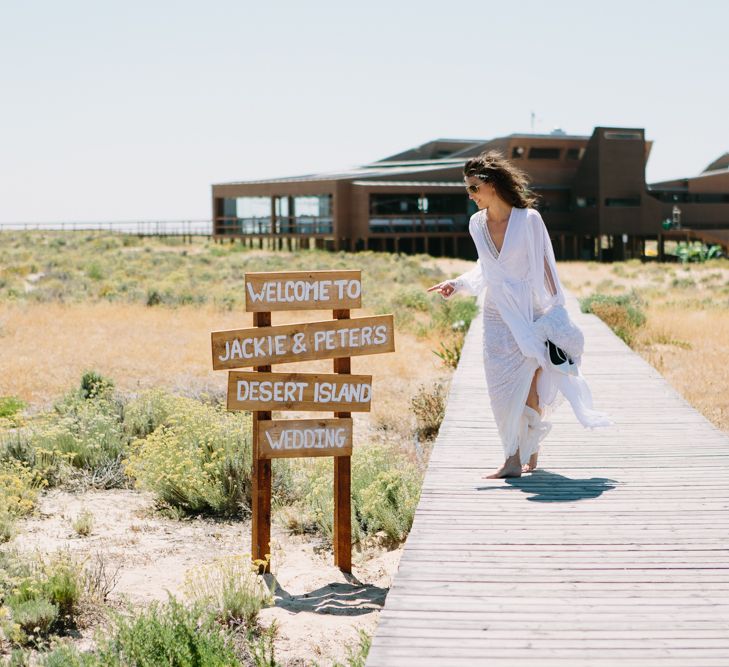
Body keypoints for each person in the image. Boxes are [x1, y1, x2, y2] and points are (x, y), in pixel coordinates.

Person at [428, 151, 611, 478]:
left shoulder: (529, 220)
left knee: (529, 386)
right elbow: (487, 270)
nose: (469, 196)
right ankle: (515, 453)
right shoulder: (476, 224)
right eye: (468, 190)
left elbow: (545, 266)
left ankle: (524, 452)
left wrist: (556, 312)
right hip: (497, 316)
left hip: (530, 313)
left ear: (492, 185)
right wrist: (457, 284)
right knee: (501, 390)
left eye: (473, 188)